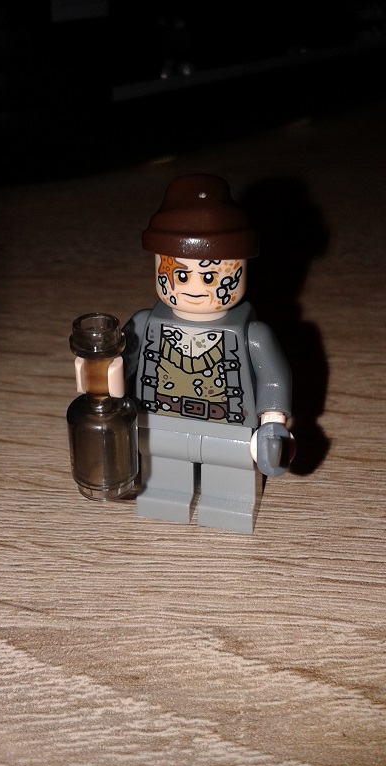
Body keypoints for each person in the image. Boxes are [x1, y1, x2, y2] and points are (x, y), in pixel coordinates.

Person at [122, 174, 294, 533]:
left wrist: (272, 421)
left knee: (229, 482)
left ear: (240, 269)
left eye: (212, 276)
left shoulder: (253, 335)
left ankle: (230, 504)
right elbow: (122, 362)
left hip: (229, 429)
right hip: (158, 423)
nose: (196, 288)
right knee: (163, 479)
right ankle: (164, 496)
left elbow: (274, 378)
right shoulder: (144, 324)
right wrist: (103, 378)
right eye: (182, 276)